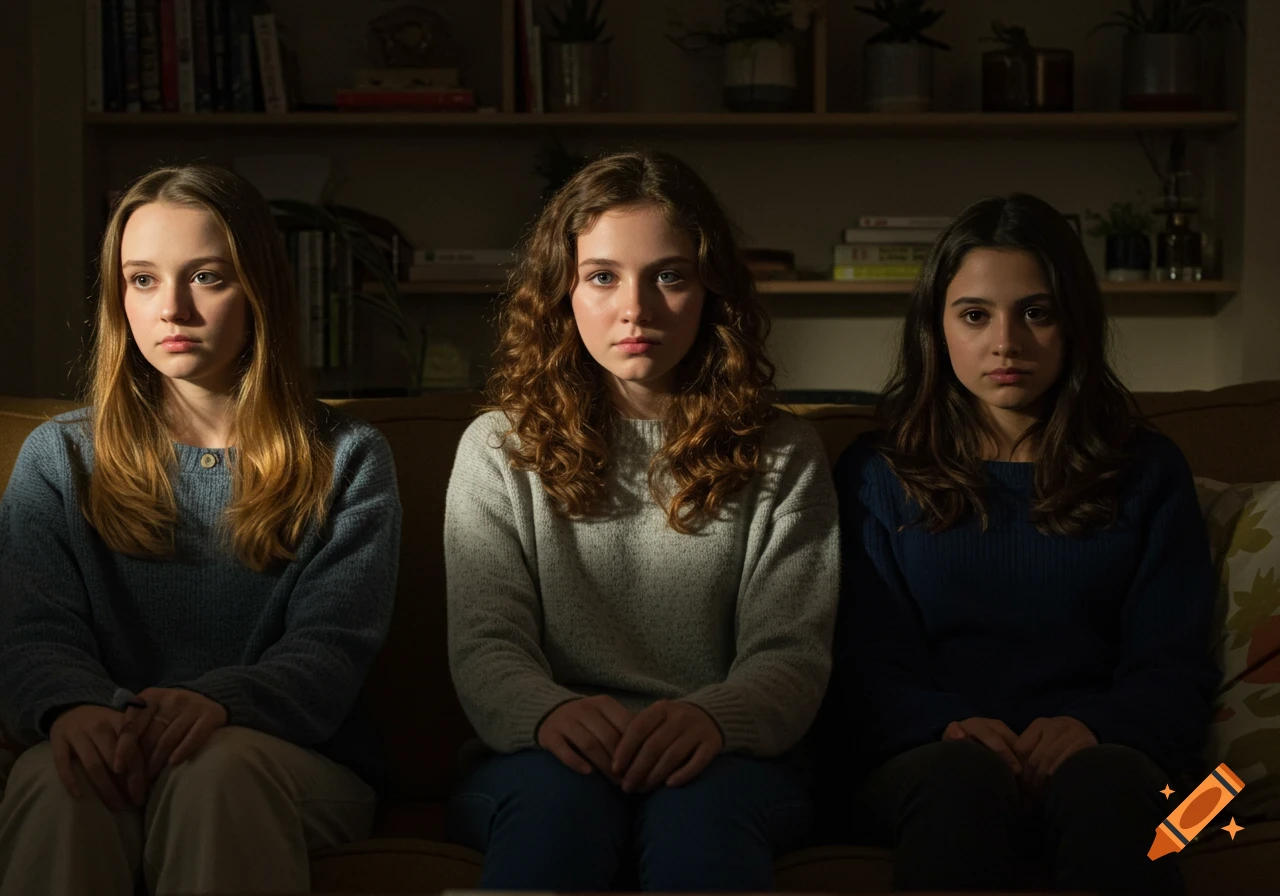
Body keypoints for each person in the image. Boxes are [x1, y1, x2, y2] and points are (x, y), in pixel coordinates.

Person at [0, 163, 402, 895]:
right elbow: (32, 632)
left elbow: (329, 652)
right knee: (63, 778)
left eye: (208, 277)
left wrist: (221, 703)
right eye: (143, 279)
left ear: (258, 290)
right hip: (104, 738)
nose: (172, 309)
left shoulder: (348, 460)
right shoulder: (59, 458)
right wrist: (77, 706)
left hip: (284, 759)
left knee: (213, 769)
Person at [444, 150, 840, 891]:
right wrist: (549, 714)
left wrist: (716, 719)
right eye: (602, 277)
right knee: (559, 815)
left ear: (709, 291)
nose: (637, 309)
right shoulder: (499, 449)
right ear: (562, 292)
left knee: (699, 824)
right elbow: (485, 645)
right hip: (545, 755)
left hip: (726, 759)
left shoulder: (783, 452)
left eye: (670, 275)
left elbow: (792, 655)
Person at [824, 193, 1218, 895]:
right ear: (937, 328)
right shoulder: (877, 472)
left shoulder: (1146, 469)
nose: (1007, 342)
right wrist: (951, 727)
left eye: (1037, 313)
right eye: (975, 315)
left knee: (1113, 786)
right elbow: (861, 669)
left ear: (1074, 324)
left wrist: (1091, 726)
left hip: (1121, 760)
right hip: (926, 763)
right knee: (961, 782)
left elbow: (1177, 668)